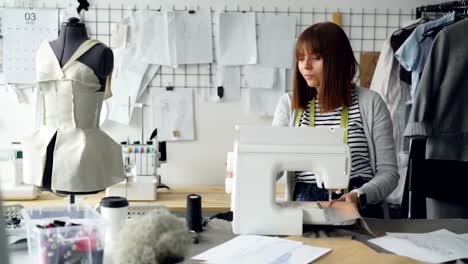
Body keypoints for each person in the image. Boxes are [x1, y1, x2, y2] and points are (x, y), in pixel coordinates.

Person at [272, 22, 399, 218]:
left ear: (337, 61)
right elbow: (275, 163)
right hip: (303, 207)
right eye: (300, 58)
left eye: (316, 58)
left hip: (359, 206)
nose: (305, 66)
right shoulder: (289, 104)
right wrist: (247, 167)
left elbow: (389, 173)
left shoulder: (371, 103)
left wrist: (360, 195)